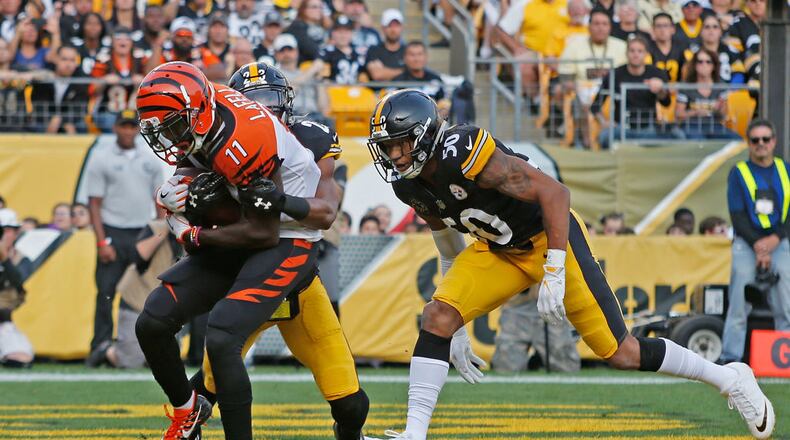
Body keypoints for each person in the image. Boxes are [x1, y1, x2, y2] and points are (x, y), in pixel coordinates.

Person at [365, 89, 774, 440]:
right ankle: (414, 433)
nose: (393, 155)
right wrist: (454, 319)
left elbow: (556, 195)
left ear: (425, 135)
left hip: (548, 236)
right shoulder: (408, 183)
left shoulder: (464, 152)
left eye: (400, 143)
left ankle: (730, 379)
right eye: (387, 146)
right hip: (497, 249)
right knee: (436, 316)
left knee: (621, 352)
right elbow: (446, 238)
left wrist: (555, 269)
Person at [134, 61, 377, 440]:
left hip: (286, 259)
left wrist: (200, 233)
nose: (264, 109)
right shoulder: (201, 122)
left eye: (269, 100)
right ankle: (189, 416)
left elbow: (320, 214)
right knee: (182, 337)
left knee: (349, 402)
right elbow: (194, 172)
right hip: (243, 248)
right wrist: (176, 192)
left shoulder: (278, 137)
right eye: (255, 101)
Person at [83, 109, 163, 365]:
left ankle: (144, 348)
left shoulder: (149, 157)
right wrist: (101, 240)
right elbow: (94, 203)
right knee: (106, 293)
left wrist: (160, 231)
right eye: (124, 126)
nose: (128, 131)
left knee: (147, 293)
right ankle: (101, 346)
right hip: (114, 230)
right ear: (116, 127)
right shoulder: (101, 157)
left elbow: (158, 198)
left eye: (132, 126)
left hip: (142, 232)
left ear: (138, 129)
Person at [721, 119, 790, 364]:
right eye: (755, 140)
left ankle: (785, 360)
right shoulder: (738, 172)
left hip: (779, 242)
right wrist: (759, 246)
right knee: (739, 304)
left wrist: (774, 239)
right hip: (746, 243)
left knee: (786, 302)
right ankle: (731, 359)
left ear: (774, 141)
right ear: (749, 143)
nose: (761, 144)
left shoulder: (786, 170)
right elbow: (736, 214)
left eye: (765, 139)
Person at [591, 36, 672, 149]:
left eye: (640, 51)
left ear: (646, 54)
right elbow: (595, 106)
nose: (635, 54)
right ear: (626, 53)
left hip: (648, 128)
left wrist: (660, 90)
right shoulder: (615, 74)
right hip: (621, 127)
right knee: (604, 137)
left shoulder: (657, 73)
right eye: (632, 50)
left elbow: (666, 103)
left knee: (671, 137)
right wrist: (604, 123)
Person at [492, 286, 581, 373]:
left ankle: (538, 359)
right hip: (517, 303)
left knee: (566, 366)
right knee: (505, 367)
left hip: (550, 304)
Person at [675, 49, 741, 140]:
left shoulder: (720, 86)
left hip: (714, 125)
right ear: (695, 65)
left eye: (708, 62)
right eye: (700, 62)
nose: (704, 65)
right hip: (691, 125)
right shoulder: (686, 86)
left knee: (737, 140)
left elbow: (723, 116)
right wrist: (696, 112)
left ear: (713, 66)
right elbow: (679, 114)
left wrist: (719, 110)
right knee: (699, 142)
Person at [0, 208, 33, 368]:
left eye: (7, 230)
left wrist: (4, 259)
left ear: (15, 233)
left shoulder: (21, 258)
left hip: (5, 320)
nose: (4, 235)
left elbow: (19, 282)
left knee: (21, 356)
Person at [695, 15, 745, 84]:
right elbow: (687, 76)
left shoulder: (732, 51)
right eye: (707, 27)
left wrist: (730, 91)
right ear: (700, 32)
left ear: (721, 31)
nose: (711, 30)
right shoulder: (693, 52)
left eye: (715, 27)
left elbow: (738, 75)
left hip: (727, 91)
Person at [320, 15, 365, 85]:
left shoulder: (359, 53)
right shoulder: (327, 51)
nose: (343, 35)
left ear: (352, 33)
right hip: (334, 93)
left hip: (355, 93)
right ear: (333, 33)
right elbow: (318, 72)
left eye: (346, 32)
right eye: (339, 32)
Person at [647, 12, 691, 82]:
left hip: (679, 90)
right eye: (658, 26)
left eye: (666, 26)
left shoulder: (683, 48)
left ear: (673, 29)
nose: (662, 30)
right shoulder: (647, 49)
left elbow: (690, 73)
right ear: (653, 29)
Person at [364, 8, 405, 82]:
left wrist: (385, 71)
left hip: (404, 92)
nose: (393, 30)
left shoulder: (408, 51)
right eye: (389, 26)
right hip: (380, 93)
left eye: (396, 26)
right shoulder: (374, 50)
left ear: (402, 27)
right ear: (383, 28)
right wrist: (405, 71)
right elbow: (377, 74)